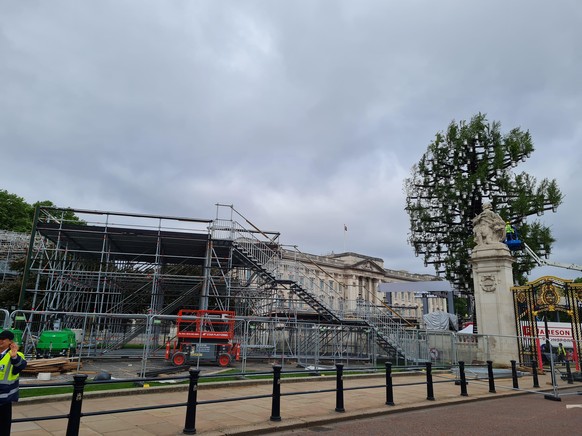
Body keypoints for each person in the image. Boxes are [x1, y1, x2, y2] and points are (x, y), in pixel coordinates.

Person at [0, 330, 27, 435]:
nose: (0, 341)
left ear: (10, 341)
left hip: (4, 399)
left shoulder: (16, 355)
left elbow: (20, 366)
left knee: (3, 429)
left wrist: (14, 356)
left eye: (3, 339)